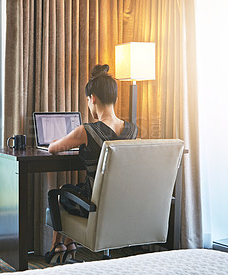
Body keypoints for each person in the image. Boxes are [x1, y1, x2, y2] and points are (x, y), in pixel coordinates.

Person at [45, 64, 138, 264]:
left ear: (92, 98)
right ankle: (68, 244)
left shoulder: (86, 131)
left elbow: (53, 148)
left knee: (61, 192)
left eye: (87, 100)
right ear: (115, 98)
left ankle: (57, 245)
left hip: (95, 205)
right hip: (123, 202)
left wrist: (54, 141)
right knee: (76, 189)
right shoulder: (133, 131)